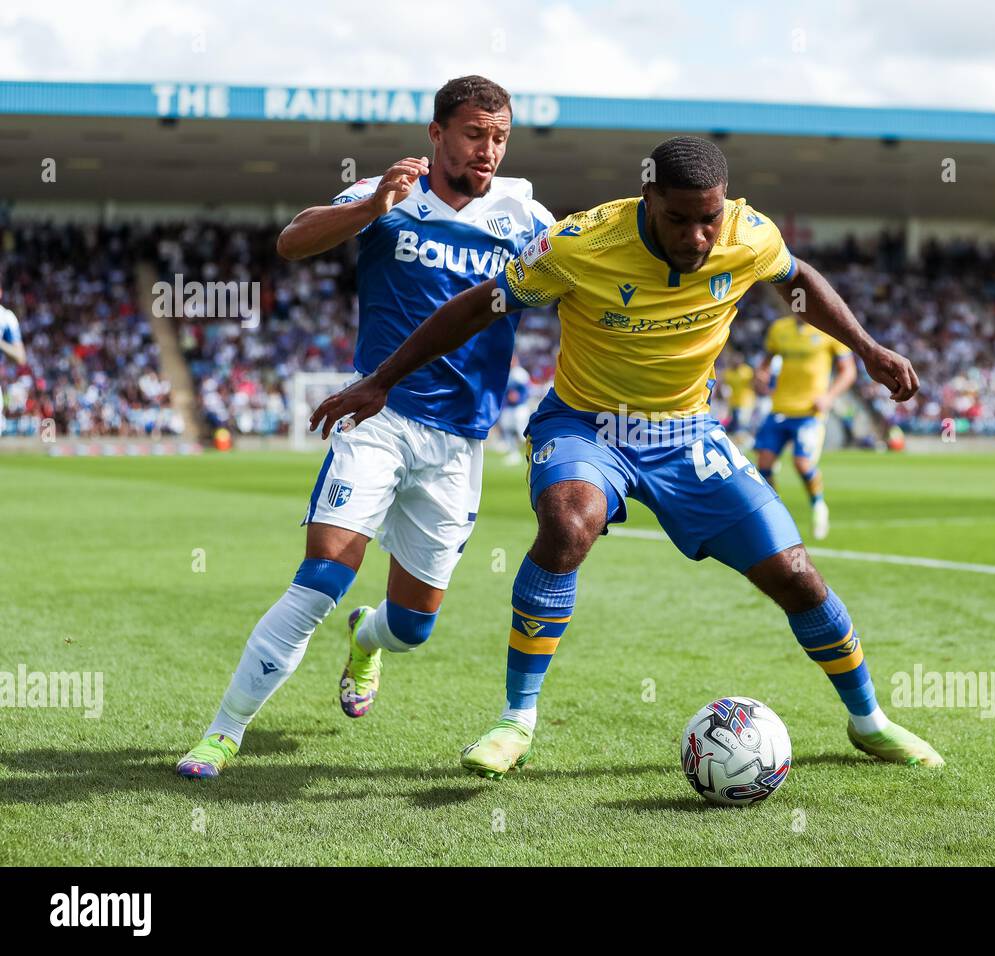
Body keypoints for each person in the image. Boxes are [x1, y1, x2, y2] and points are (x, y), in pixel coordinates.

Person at [312, 135, 944, 780]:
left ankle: (869, 721)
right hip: (586, 426)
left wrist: (866, 349)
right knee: (568, 523)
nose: (699, 236)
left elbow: (797, 279)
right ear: (648, 199)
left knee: (794, 571)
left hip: (686, 434)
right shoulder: (581, 245)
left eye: (710, 218)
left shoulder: (750, 235)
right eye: (680, 218)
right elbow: (481, 303)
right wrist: (382, 379)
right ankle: (516, 719)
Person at [176, 75, 555, 779]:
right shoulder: (391, 190)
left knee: (412, 627)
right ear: (438, 134)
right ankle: (222, 733)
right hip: (376, 416)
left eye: (499, 137)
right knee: (321, 578)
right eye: (474, 134)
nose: (488, 151)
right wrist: (373, 205)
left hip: (459, 440)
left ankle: (367, 638)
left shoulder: (525, 215)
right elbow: (293, 240)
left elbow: (579, 278)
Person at [753, 313, 857, 540]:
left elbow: (849, 371)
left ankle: (819, 505)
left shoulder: (829, 329)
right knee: (763, 465)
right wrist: (761, 374)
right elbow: (765, 363)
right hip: (779, 409)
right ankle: (774, 516)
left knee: (801, 463)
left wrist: (830, 396)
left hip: (810, 412)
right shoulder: (779, 328)